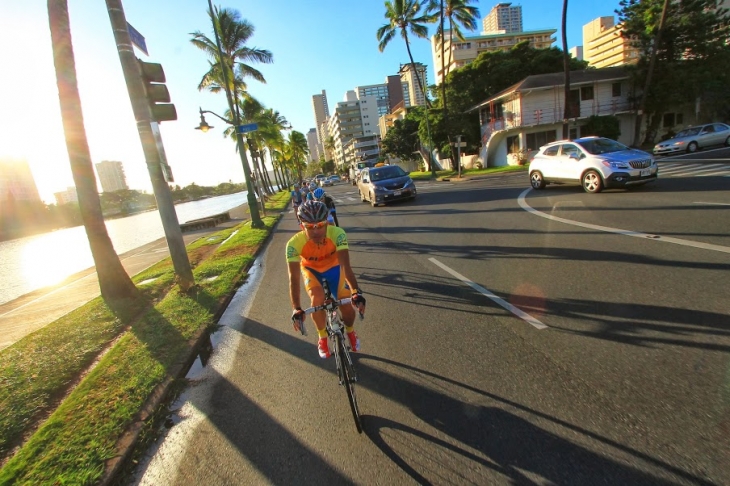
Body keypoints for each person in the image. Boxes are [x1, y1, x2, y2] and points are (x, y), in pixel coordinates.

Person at [287, 200, 366, 358]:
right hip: (311, 270)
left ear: (327, 222)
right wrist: (296, 307)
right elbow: (294, 278)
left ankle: (350, 331)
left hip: (335, 268)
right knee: (317, 300)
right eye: (310, 227)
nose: (316, 231)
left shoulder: (337, 234)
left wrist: (355, 291)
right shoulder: (293, 245)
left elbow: (345, 266)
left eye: (320, 225)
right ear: (302, 226)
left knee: (347, 306)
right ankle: (322, 337)